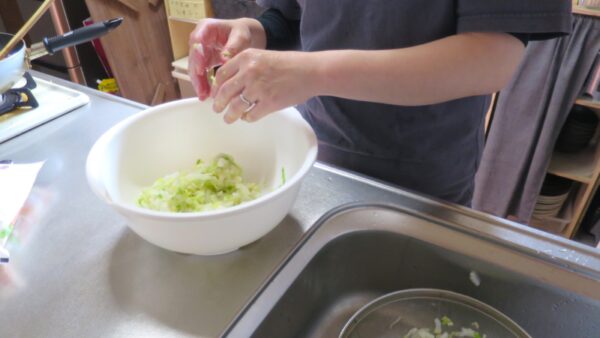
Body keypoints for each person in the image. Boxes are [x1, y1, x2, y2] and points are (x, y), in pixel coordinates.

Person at [188, 1, 572, 206]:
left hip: (420, 176)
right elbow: (290, 16)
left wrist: (313, 72)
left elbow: (491, 57)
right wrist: (253, 32)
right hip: (312, 154)